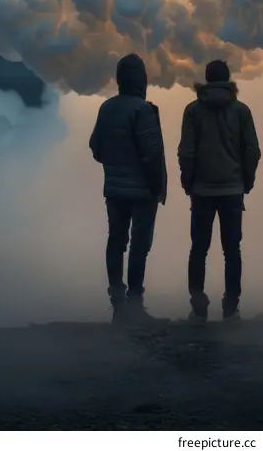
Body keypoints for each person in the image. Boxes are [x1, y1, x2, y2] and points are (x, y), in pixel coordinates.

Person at [178, 59, 261, 323]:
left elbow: (187, 152)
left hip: (201, 191)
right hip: (232, 190)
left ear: (206, 79)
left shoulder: (192, 111)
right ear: (228, 80)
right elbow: (252, 151)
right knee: (232, 250)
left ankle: (198, 306)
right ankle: (231, 307)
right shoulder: (241, 111)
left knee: (198, 249)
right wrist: (246, 182)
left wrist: (187, 182)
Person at [89, 53, 167, 323]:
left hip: (114, 189)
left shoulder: (106, 108)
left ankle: (117, 302)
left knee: (116, 241)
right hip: (143, 192)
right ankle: (135, 303)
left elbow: (96, 148)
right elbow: (152, 154)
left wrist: (114, 166)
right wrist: (158, 188)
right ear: (141, 80)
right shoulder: (143, 110)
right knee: (139, 245)